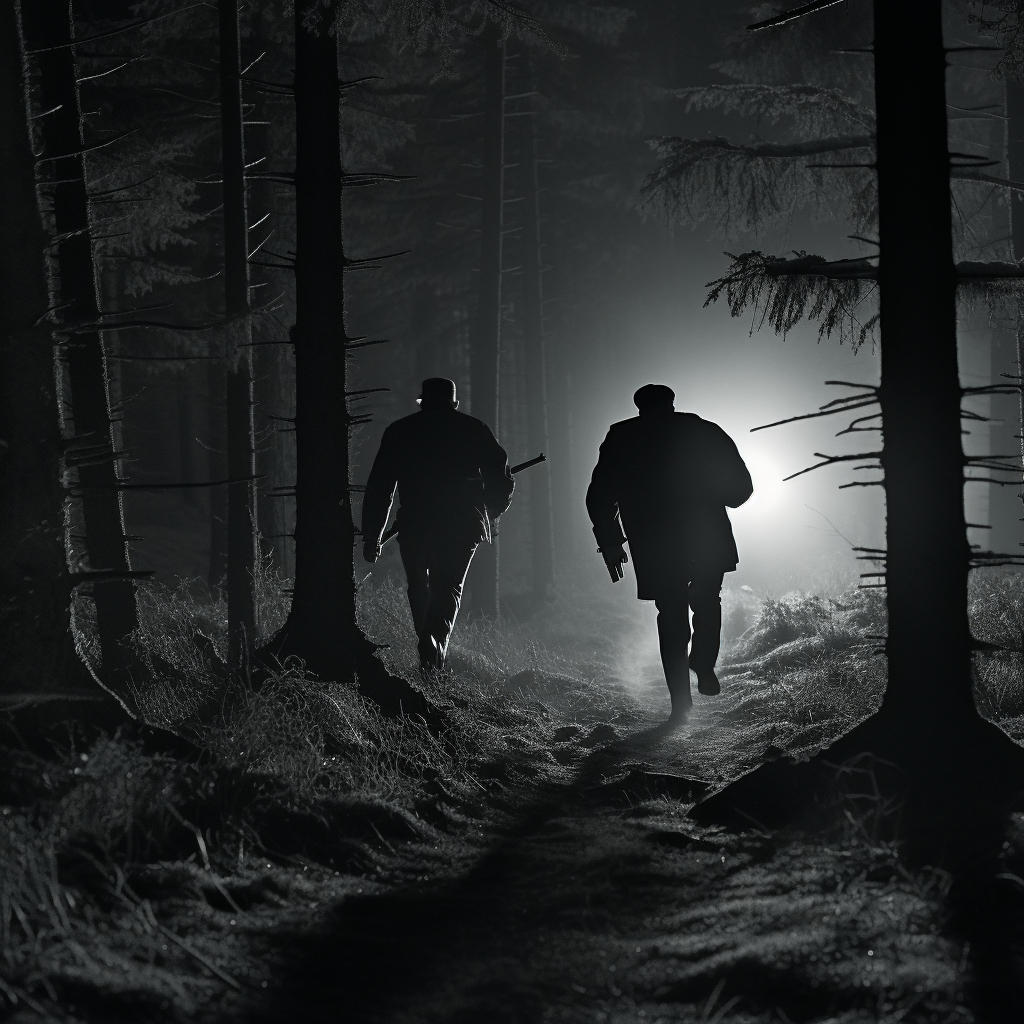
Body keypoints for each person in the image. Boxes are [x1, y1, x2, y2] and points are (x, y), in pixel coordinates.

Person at [587, 384, 753, 726]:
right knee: (708, 600)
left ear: (639, 407)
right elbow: (741, 488)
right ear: (672, 403)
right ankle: (703, 663)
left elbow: (600, 495)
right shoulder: (703, 429)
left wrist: (612, 541)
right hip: (706, 536)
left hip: (654, 541)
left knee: (671, 615)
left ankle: (680, 704)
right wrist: (708, 494)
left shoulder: (621, 437)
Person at [361, 378, 514, 671]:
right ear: (453, 403)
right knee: (448, 589)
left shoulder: (400, 431)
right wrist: (488, 511)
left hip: (415, 524)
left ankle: (428, 648)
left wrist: (373, 535)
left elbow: (381, 486)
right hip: (462, 524)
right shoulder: (474, 428)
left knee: (418, 587)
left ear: (424, 401)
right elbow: (502, 479)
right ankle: (433, 648)